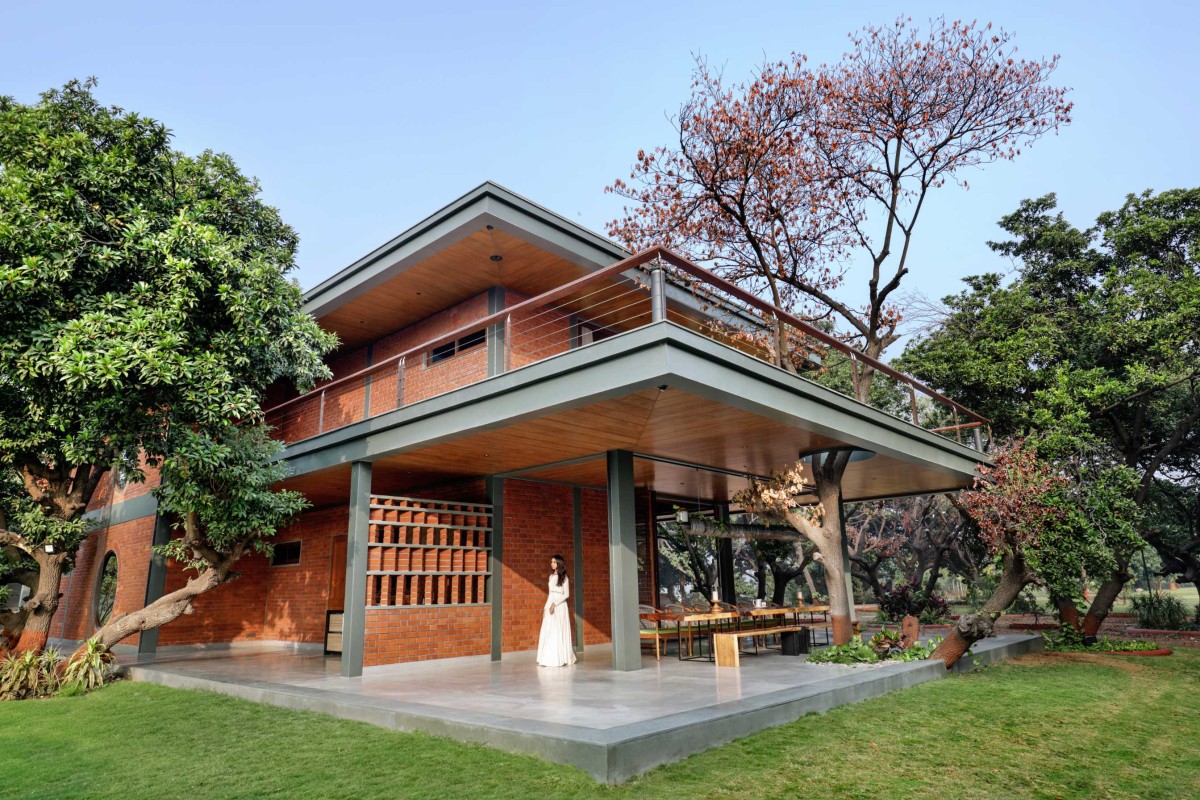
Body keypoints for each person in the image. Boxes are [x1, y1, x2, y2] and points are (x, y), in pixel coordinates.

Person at [536, 554, 576, 667]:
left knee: (557, 629)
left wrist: (555, 604)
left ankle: (560, 657)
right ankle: (548, 657)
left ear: (559, 563)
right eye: (551, 562)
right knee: (549, 629)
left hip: (560, 606)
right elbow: (550, 594)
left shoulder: (564, 577)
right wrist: (545, 607)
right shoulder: (551, 576)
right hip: (550, 604)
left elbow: (566, 594)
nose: (552, 564)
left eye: (554, 562)